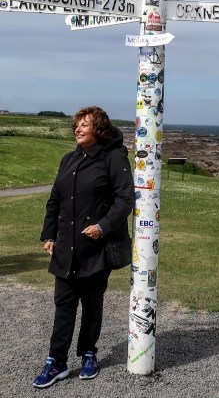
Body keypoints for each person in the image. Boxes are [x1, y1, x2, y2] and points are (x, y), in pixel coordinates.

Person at [33, 106, 135, 389]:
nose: (78, 129)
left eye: (85, 124)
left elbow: (125, 199)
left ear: (98, 129)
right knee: (64, 305)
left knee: (92, 304)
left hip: (96, 248)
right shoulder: (69, 159)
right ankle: (56, 362)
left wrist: (103, 226)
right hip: (66, 247)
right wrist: (49, 235)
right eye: (77, 125)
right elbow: (55, 200)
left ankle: (89, 353)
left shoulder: (113, 158)